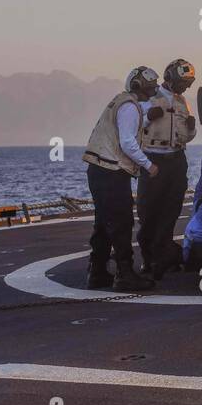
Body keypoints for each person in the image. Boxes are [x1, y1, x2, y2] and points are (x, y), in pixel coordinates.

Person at [81, 67, 158, 291]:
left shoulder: (123, 102)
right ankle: (125, 274)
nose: (151, 92)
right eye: (150, 88)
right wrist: (148, 164)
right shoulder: (130, 107)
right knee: (122, 222)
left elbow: (126, 130)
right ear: (139, 87)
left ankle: (97, 272)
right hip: (111, 171)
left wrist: (147, 120)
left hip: (100, 168)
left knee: (105, 222)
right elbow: (127, 141)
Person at [135, 58, 198, 279]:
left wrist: (191, 130)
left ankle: (164, 257)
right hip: (153, 158)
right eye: (181, 83)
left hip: (176, 159)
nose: (183, 88)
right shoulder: (149, 98)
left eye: (186, 84)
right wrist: (147, 118)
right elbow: (133, 123)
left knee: (171, 210)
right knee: (148, 210)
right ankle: (148, 259)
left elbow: (186, 135)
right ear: (170, 77)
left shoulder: (182, 103)